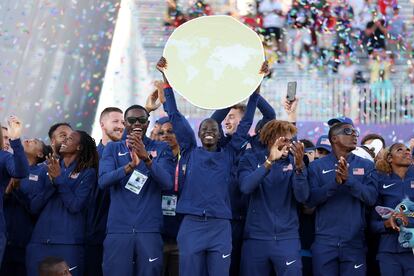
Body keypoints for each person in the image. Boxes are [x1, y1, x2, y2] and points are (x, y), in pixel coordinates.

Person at [157, 57, 260, 276]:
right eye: (204, 128)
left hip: (220, 226)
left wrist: (256, 88)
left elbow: (247, 122)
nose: (209, 131)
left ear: (220, 133)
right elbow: (174, 114)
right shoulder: (189, 151)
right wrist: (166, 79)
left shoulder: (229, 154)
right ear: (198, 134)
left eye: (213, 128)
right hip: (191, 225)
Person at [99, 104, 175, 276]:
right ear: (125, 123)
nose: (137, 124)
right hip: (119, 229)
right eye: (132, 120)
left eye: (142, 120)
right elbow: (103, 181)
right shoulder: (113, 148)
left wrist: (146, 159)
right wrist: (129, 167)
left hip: (149, 229)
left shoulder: (161, 148)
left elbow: (167, 183)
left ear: (148, 123)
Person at [306, 117, 378, 276]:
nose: (354, 135)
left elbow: (372, 198)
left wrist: (349, 180)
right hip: (325, 242)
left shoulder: (367, 166)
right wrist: (335, 183)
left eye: (355, 132)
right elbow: (310, 200)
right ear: (334, 138)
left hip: (354, 243)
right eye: (348, 132)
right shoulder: (316, 167)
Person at [238, 120, 309, 276]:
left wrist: (299, 168)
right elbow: (245, 187)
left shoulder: (294, 162)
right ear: (271, 139)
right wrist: (269, 162)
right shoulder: (250, 159)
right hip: (256, 238)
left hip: (287, 238)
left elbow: (302, 197)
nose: (289, 145)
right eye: (285, 140)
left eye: (290, 141)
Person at [26, 130, 98, 276]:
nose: (64, 140)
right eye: (64, 138)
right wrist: (53, 183)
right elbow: (33, 206)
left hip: (68, 243)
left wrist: (59, 179)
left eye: (70, 139)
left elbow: (75, 205)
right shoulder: (46, 167)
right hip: (39, 241)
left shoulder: (88, 173)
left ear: (79, 147)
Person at [0, 139, 52, 276]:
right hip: (3, 232)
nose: (28, 140)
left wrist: (16, 189)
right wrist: (7, 192)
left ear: (40, 154)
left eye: (35, 142)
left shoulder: (42, 173)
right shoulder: (8, 165)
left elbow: (34, 207)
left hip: (21, 239)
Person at [84, 107, 124, 276]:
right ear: (102, 124)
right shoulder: (89, 156)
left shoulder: (130, 154)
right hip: (95, 233)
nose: (121, 126)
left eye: (123, 122)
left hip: (122, 233)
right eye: (115, 121)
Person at [371, 143, 414, 275]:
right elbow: (372, 223)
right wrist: (387, 223)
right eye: (400, 150)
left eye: (408, 150)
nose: (406, 152)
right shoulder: (379, 182)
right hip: (388, 251)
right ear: (390, 158)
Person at [0, 116, 30, 265]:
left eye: (8, 138)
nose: (7, 142)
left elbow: (21, 171)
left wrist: (16, 140)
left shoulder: (5, 157)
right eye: (4, 138)